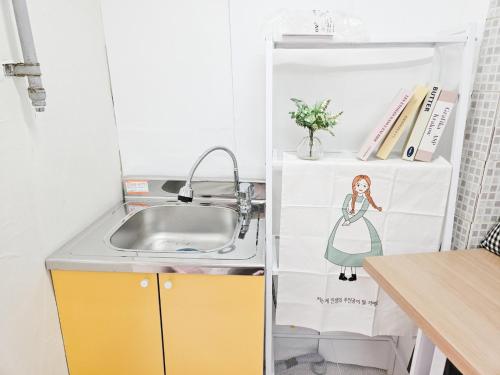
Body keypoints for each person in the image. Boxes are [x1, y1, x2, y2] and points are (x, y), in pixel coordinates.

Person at [324, 175, 383, 281]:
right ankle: (342, 273)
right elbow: (344, 208)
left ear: (368, 187)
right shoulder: (349, 196)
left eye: (364, 185)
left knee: (355, 248)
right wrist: (346, 219)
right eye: (359, 184)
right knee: (343, 247)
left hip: (359, 225)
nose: (361, 187)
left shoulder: (366, 200)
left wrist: (350, 221)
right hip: (344, 223)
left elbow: (361, 213)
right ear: (354, 185)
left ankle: (353, 274)